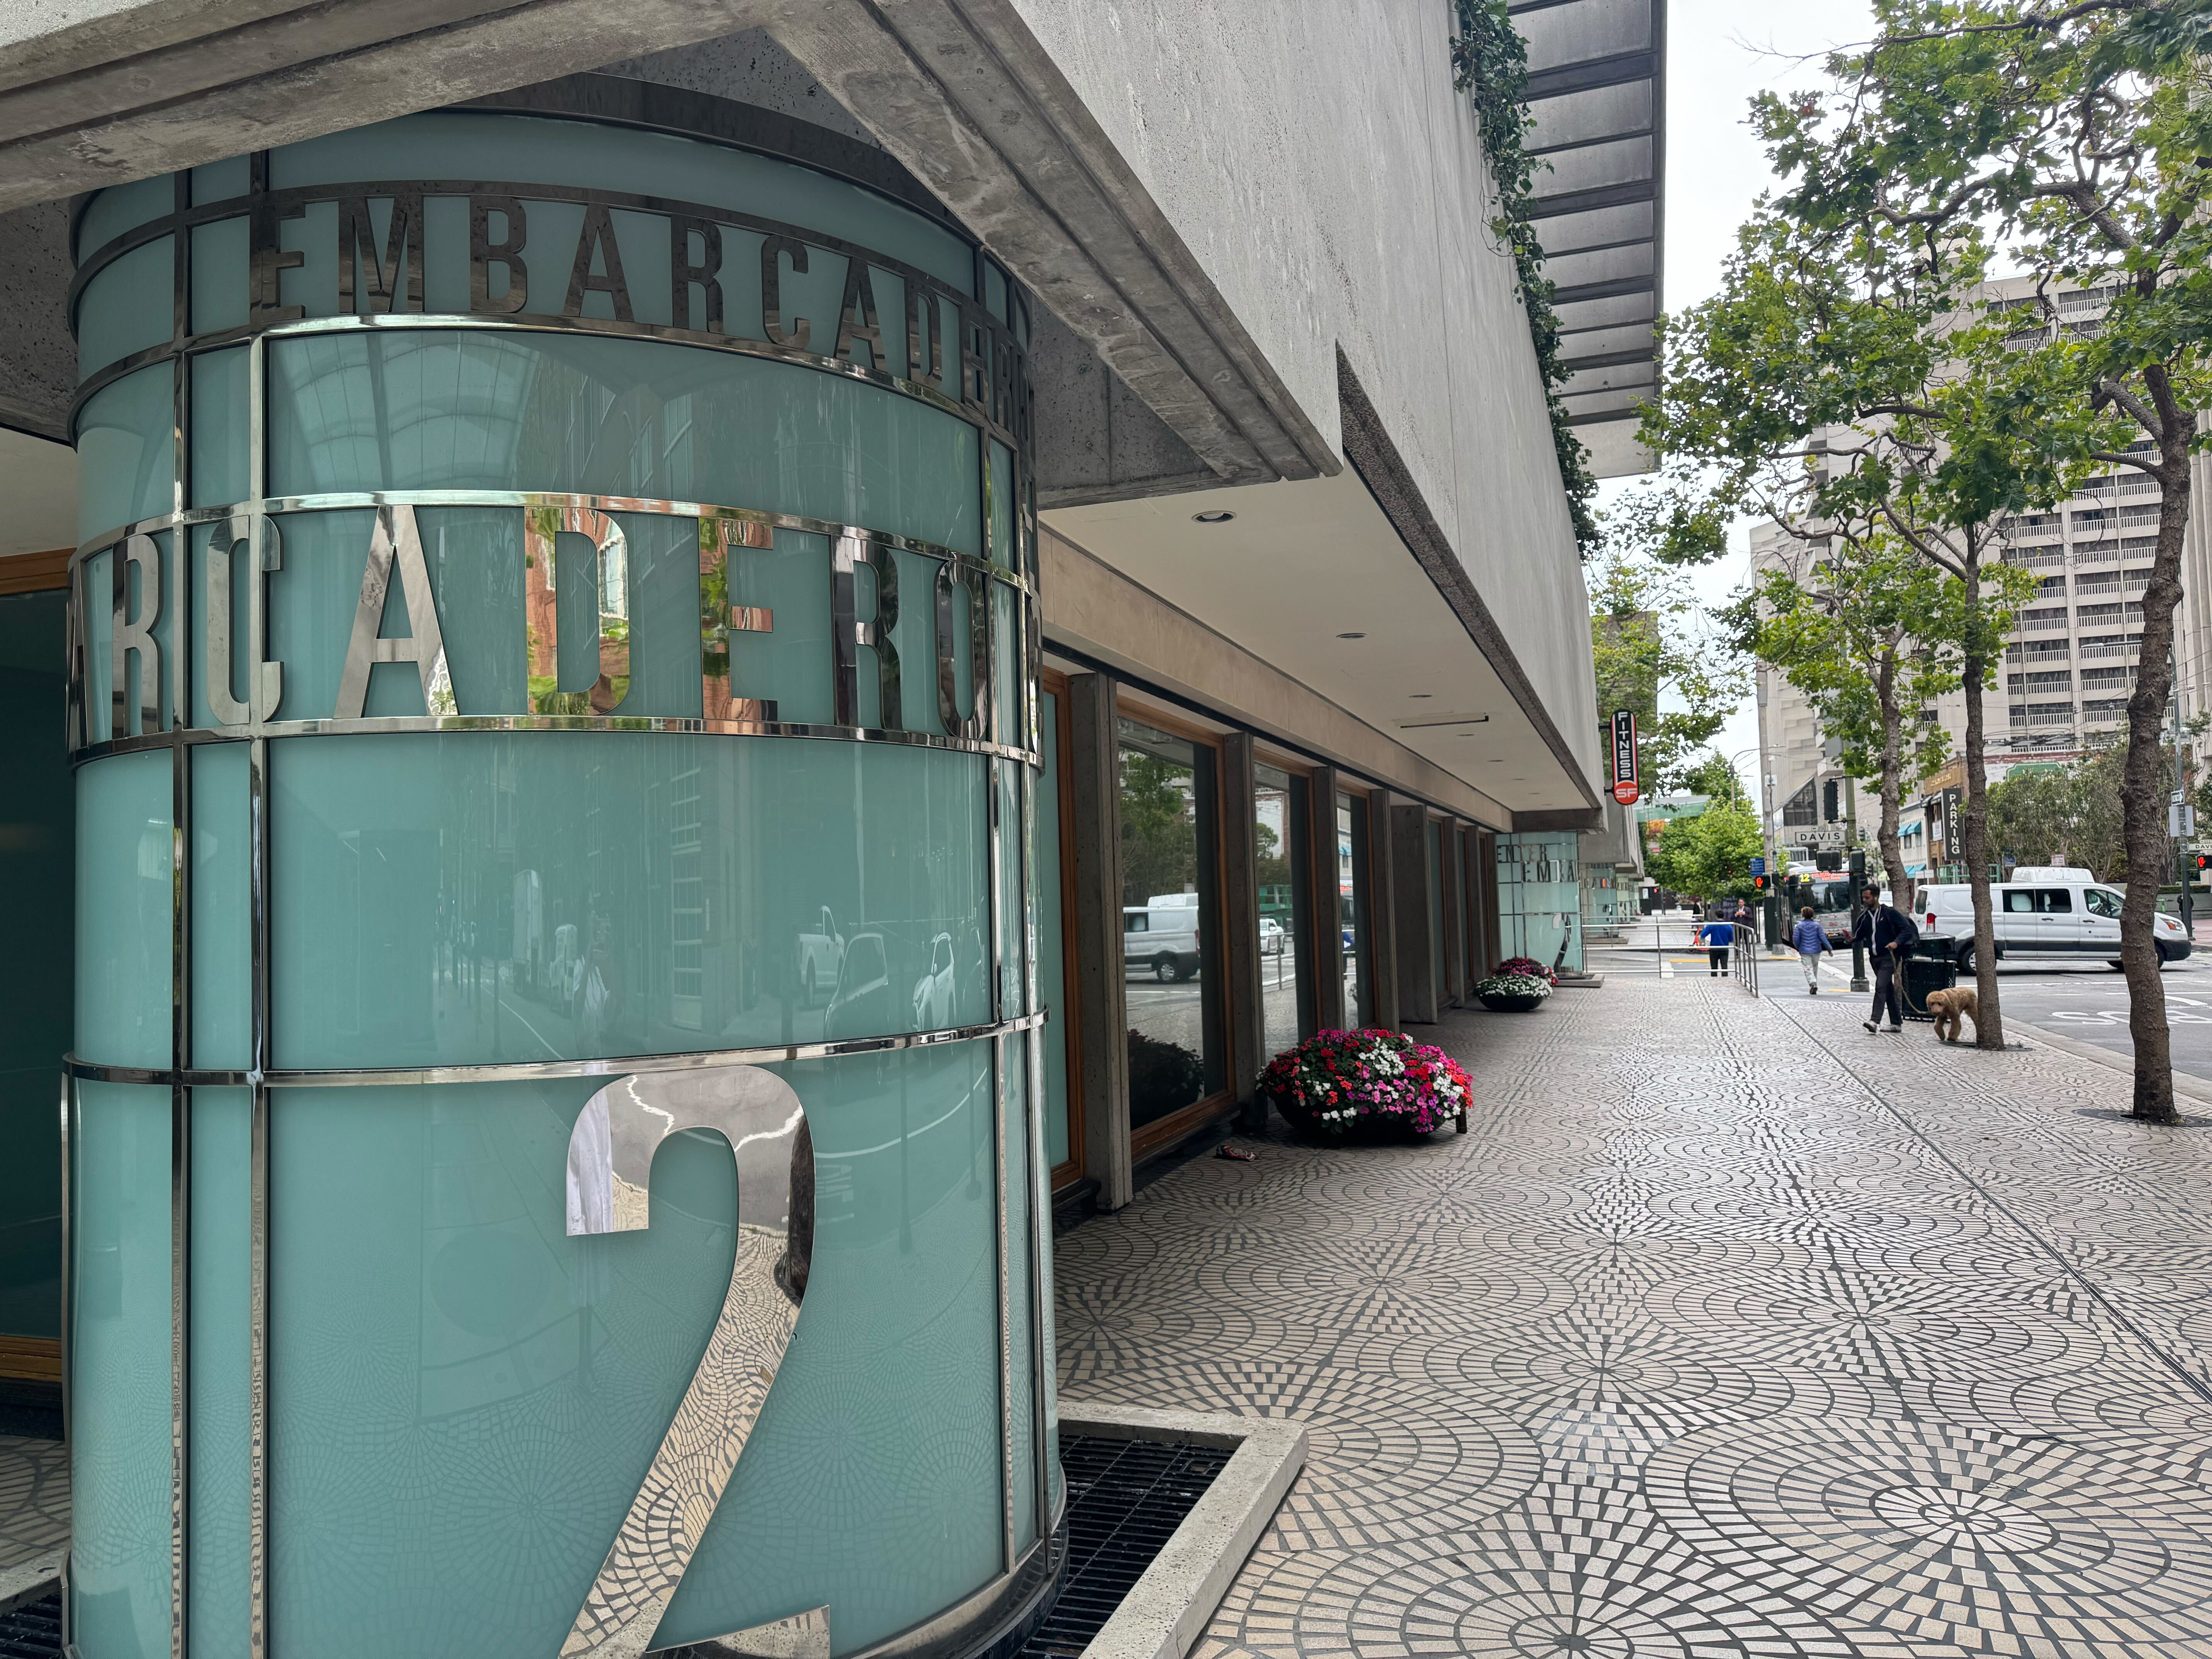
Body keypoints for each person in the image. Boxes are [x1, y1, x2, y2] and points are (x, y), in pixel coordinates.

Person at [1850, 884, 1920, 1032]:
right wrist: (1851, 939)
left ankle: (1875, 1021)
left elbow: (1906, 930)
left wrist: (1896, 943)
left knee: (1881, 987)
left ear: (1876, 897)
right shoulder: (1865, 917)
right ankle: (1896, 1024)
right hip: (1874, 958)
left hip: (1889, 957)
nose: (1865, 900)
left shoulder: (1890, 913)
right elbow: (1861, 935)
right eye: (1863, 897)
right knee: (1887, 989)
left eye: (1867, 897)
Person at [1791, 904, 1827, 995]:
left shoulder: (1799, 926)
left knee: (1808, 968)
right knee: (1815, 968)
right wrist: (1829, 949)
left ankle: (1813, 983)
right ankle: (1814, 984)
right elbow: (1823, 938)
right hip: (1816, 950)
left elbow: (1796, 939)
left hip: (1805, 951)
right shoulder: (1817, 926)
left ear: (1803, 915)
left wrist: (1798, 947)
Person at [1693, 911, 1735, 975]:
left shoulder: (1712, 925)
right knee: (1724, 967)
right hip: (1724, 949)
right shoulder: (1728, 926)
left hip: (1714, 948)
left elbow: (1703, 935)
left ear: (1716, 916)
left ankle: (1714, 979)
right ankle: (1725, 979)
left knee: (1714, 967)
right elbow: (1731, 939)